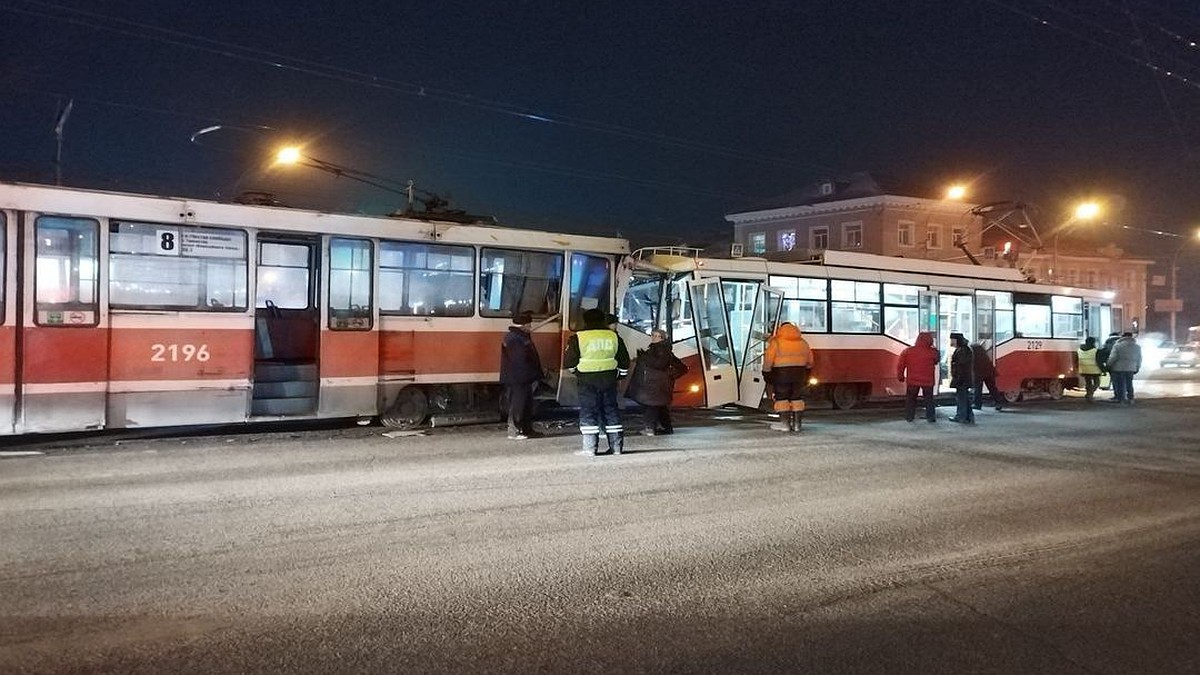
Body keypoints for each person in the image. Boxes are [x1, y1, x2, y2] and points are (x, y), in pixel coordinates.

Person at [564, 308, 630, 455]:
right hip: (609, 379)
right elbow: (624, 361)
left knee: (589, 412)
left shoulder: (578, 337)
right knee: (611, 411)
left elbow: (569, 363)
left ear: (585, 320)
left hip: (587, 381)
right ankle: (616, 447)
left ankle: (590, 448)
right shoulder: (614, 337)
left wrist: (578, 373)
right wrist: (619, 376)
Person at [629, 329, 687, 436]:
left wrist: (643, 357)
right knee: (660, 406)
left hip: (655, 385)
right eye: (652, 335)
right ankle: (667, 427)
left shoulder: (661, 349)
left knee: (651, 405)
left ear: (663, 338)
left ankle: (649, 428)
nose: (653, 337)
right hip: (656, 384)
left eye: (657, 336)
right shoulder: (660, 349)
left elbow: (659, 364)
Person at [499, 311, 544, 440]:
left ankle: (526, 429)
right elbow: (519, 360)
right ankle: (515, 430)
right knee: (518, 404)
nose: (530, 326)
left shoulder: (517, 337)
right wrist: (531, 374)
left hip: (522, 377)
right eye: (529, 324)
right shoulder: (515, 338)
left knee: (525, 404)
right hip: (519, 378)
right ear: (524, 324)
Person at [762, 322, 813, 432]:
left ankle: (785, 424)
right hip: (800, 373)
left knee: (782, 398)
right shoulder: (803, 343)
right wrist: (807, 373)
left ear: (781, 330)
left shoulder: (776, 343)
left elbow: (768, 360)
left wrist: (766, 373)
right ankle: (797, 425)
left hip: (781, 374)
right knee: (797, 397)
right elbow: (810, 362)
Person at [896, 331, 939, 423]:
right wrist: (934, 348)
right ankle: (930, 417)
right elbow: (936, 361)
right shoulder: (933, 352)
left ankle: (909, 417)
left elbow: (901, 365)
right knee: (929, 400)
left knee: (911, 400)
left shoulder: (908, 351)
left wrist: (900, 376)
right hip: (928, 381)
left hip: (912, 380)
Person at [1105, 332, 1142, 404]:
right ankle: (1131, 398)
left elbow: (1113, 357)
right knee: (1129, 383)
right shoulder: (1137, 347)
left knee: (1120, 384)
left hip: (1119, 368)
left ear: (1122, 337)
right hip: (1131, 368)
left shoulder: (1118, 346)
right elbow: (1139, 358)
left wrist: (1108, 365)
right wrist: (1137, 367)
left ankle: (1121, 399)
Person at [949, 332, 975, 423]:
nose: (951, 342)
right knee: (965, 398)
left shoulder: (962, 350)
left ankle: (961, 416)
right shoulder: (964, 349)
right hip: (963, 378)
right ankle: (969, 417)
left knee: (961, 398)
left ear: (957, 340)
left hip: (962, 378)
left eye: (952, 340)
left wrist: (958, 378)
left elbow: (961, 366)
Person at [971, 339, 1003, 411]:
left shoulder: (971, 350)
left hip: (979, 372)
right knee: (992, 388)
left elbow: (971, 363)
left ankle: (977, 404)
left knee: (977, 389)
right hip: (989, 371)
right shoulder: (981, 352)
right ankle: (998, 402)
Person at [1076, 336, 1102, 402]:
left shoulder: (1079, 350)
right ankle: (1090, 394)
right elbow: (1099, 361)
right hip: (1094, 370)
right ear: (1093, 342)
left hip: (1084, 369)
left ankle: (1088, 394)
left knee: (1088, 383)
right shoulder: (1095, 351)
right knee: (1097, 383)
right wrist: (1103, 369)